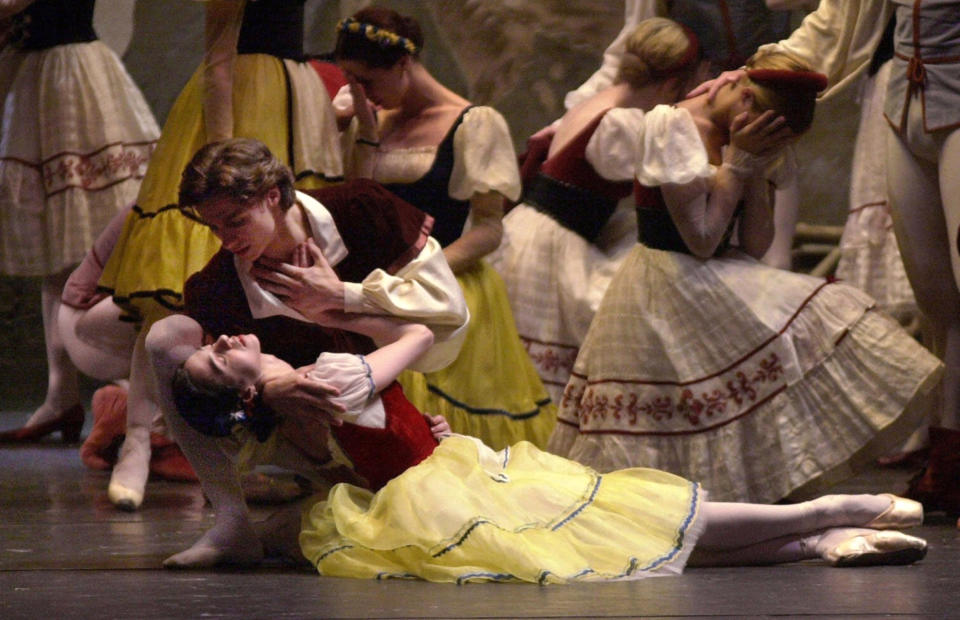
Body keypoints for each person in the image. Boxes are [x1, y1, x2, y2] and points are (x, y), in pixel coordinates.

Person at [158, 311, 929, 579]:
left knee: (625, 544)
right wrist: (340, 300)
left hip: (425, 490)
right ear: (246, 391)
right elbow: (423, 335)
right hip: (456, 486)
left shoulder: (287, 425)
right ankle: (831, 509)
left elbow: (332, 467)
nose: (226, 339)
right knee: (639, 522)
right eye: (219, 357)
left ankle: (817, 543)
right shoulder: (334, 375)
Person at [550, 50, 942, 504]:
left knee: (836, 311)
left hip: (715, 273)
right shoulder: (673, 126)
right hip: (664, 279)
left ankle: (742, 509)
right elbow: (700, 238)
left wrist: (755, 168)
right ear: (747, 100)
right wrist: (737, 162)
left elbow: (755, 243)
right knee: (663, 417)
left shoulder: (753, 135)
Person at [690, 0, 960, 515]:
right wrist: (756, 74)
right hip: (907, 97)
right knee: (937, 297)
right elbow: (839, 16)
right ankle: (951, 461)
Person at [88, 0, 345, 510]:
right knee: (173, 289)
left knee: (294, 279)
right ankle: (138, 439)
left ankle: (289, 451)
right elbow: (218, 58)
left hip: (297, 102)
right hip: (245, 106)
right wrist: (225, 154)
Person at [331, 7, 554, 450]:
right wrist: (360, 132)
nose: (358, 92)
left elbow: (491, 229)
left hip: (445, 287)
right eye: (350, 80)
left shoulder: (475, 123)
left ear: (403, 65)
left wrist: (423, 272)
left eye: (366, 80)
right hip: (377, 289)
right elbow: (354, 199)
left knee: (444, 423)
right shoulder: (371, 120)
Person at [490, 18, 704, 403]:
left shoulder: (599, 101)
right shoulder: (621, 123)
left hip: (532, 231)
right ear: (674, 85)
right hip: (548, 246)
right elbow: (675, 175)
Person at [0, 0, 159, 442]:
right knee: (56, 251)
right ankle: (61, 394)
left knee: (92, 246)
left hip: (70, 80)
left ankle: (140, 398)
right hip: (31, 77)